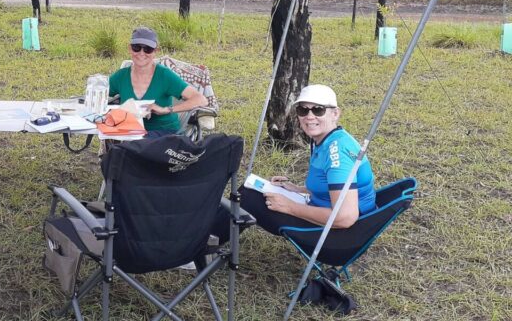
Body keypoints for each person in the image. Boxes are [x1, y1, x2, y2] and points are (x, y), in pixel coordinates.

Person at [210, 84, 376, 242]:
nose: (310, 116)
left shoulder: (337, 152)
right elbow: (333, 188)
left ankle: (201, 246)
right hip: (336, 226)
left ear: (335, 114)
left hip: (339, 237)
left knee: (248, 198)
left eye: (318, 110)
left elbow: (345, 218)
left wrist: (289, 206)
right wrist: (297, 190)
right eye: (303, 110)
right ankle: (205, 236)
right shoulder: (328, 139)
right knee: (251, 188)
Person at [107, 26, 208, 136]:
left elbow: (201, 99)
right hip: (130, 131)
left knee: (126, 149)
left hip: (164, 133)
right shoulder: (121, 76)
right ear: (130, 48)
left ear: (156, 51)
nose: (141, 53)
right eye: (136, 47)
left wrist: (166, 109)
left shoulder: (164, 75)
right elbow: (99, 93)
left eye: (148, 49)